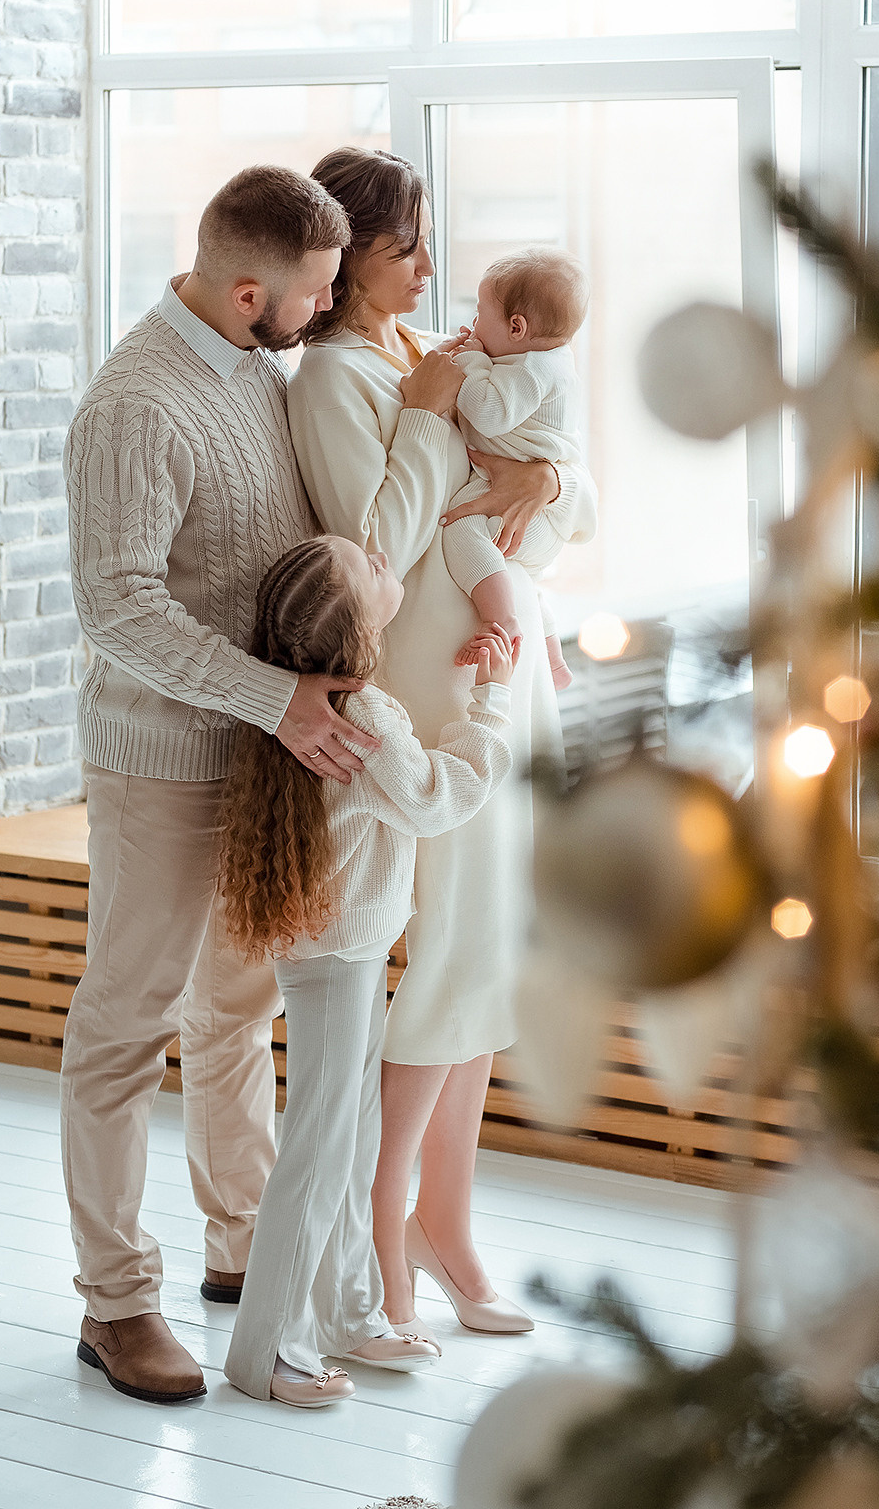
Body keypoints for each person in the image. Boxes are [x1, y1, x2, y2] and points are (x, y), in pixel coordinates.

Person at [60, 165, 381, 1406]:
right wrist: (274, 701)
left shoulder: (260, 367)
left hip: (260, 758)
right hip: (160, 762)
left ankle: (241, 1247)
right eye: (310, 296)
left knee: (235, 1012)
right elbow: (117, 609)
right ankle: (115, 1302)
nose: (322, 314)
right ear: (247, 289)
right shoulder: (135, 404)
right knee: (124, 1029)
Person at [288, 147, 598, 1336]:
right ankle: (382, 1232)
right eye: (405, 247)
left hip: (493, 673)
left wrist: (534, 472)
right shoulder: (333, 380)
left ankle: (445, 1223)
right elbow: (372, 552)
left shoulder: (432, 360)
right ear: (347, 256)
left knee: (488, 959)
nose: (428, 266)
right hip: (421, 687)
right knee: (448, 959)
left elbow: (558, 502)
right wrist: (436, 439)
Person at [218, 536, 517, 1408]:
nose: (389, 558)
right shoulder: (369, 712)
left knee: (347, 1137)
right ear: (358, 623)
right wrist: (490, 703)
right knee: (317, 1144)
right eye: (373, 567)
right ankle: (264, 1349)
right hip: (342, 949)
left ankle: (349, 1312)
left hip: (334, 944)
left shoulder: (302, 701)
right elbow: (435, 800)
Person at [441, 248, 590, 693]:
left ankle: (501, 620)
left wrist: (469, 360)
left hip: (535, 515)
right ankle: (553, 658)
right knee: (521, 577)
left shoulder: (533, 369)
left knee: (461, 527)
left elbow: (487, 412)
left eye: (480, 312)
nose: (474, 322)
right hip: (542, 515)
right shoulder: (545, 359)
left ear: (516, 328)